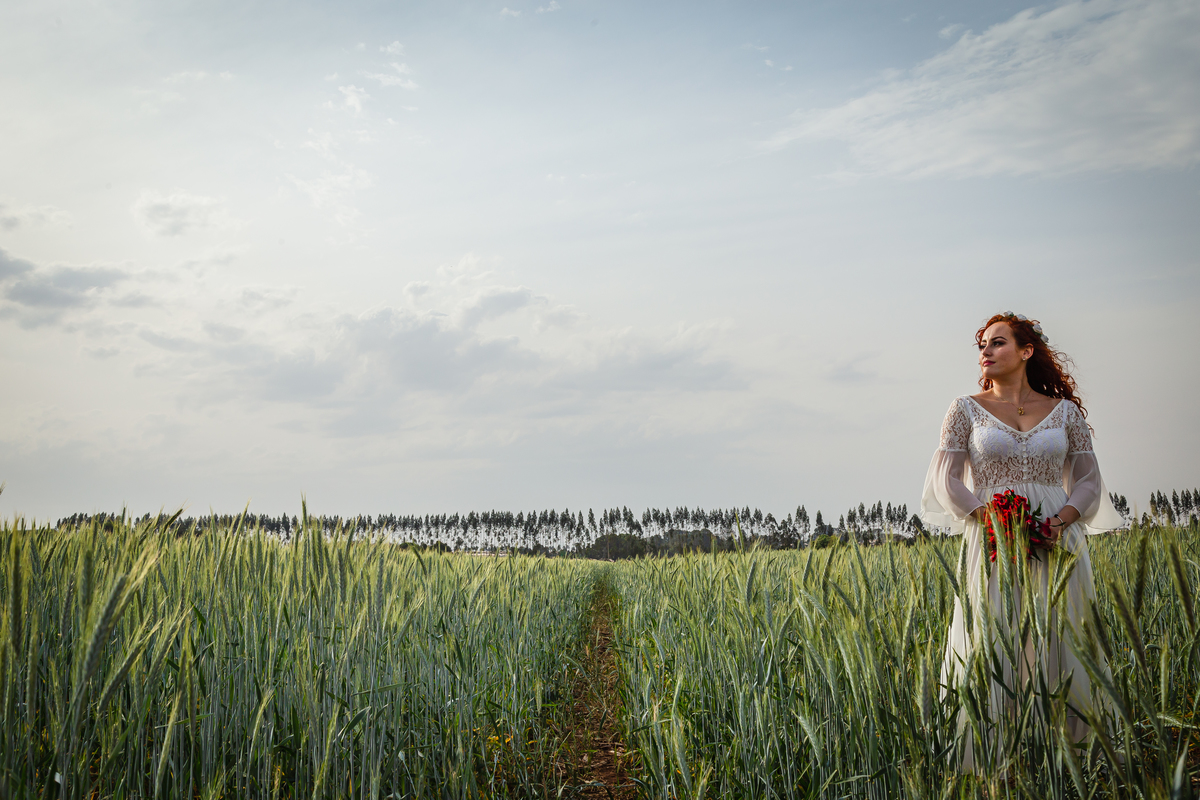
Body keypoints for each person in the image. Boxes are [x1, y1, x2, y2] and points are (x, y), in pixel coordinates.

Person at [920, 312, 1124, 770]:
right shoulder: (964, 409)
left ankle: (1069, 763)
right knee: (993, 637)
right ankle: (995, 762)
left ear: (1026, 351)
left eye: (997, 343)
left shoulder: (1065, 413)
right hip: (991, 539)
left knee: (1060, 637)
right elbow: (947, 480)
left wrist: (1062, 520)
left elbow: (1088, 480)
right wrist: (987, 519)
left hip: (1057, 539)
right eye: (982, 346)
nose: (985, 353)